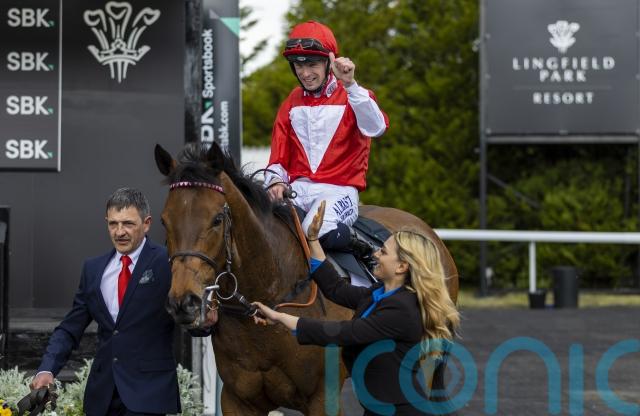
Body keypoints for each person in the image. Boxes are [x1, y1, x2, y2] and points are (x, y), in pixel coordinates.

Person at [253, 202, 460, 415]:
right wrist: (313, 240)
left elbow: (344, 333)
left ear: (401, 267)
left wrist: (281, 318)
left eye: (383, 252)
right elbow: (336, 289)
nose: (375, 254)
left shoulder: (402, 309)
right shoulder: (380, 293)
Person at [30, 188, 216, 416]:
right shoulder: (93, 269)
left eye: (128, 223)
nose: (119, 232)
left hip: (149, 395)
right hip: (101, 397)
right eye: (113, 224)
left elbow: (189, 317)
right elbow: (70, 329)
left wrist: (204, 323)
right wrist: (46, 370)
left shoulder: (168, 263)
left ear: (146, 224)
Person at [265, 20, 389, 259]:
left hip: (339, 191)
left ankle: (364, 249)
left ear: (329, 63)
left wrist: (350, 84)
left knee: (314, 231)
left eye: (312, 64)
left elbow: (377, 128)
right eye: (298, 65)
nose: (305, 73)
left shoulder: (354, 94)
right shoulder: (291, 101)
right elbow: (278, 156)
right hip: (297, 190)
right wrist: (275, 182)